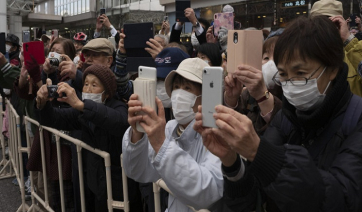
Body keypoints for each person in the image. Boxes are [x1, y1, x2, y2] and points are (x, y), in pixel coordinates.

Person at [195, 15, 362, 212]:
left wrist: (260, 152)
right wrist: (231, 162)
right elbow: (250, 198)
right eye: (283, 75)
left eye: (300, 74)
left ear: (332, 68)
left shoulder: (356, 119)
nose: (291, 84)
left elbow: (341, 197)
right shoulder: (285, 118)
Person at [35, 64, 142, 212]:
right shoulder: (81, 111)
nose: (88, 89)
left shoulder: (118, 107)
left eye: (94, 85)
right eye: (85, 84)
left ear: (107, 92)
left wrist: (81, 105)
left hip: (119, 187)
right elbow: (54, 119)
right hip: (95, 184)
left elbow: (118, 122)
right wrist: (42, 103)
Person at [123, 58, 224, 212]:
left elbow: (207, 192)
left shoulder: (217, 133)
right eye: (176, 87)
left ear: (205, 96)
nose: (179, 93)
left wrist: (161, 145)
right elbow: (138, 171)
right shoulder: (169, 128)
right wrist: (138, 132)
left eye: (188, 88)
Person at [310, 0, 362, 97]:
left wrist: (348, 40)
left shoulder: (354, 51)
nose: (323, 29)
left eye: (330, 22)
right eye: (317, 23)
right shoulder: (302, 52)